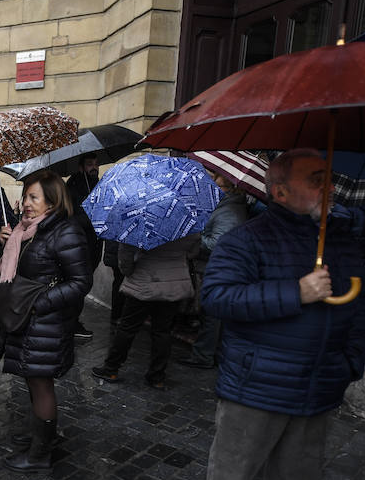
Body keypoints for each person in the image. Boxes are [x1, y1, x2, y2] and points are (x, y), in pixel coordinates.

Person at [197, 149, 365, 480]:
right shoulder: (246, 239)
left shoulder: (340, 241)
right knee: (231, 478)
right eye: (315, 179)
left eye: (327, 177)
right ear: (279, 192)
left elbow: (361, 302)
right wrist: (295, 292)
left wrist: (349, 363)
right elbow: (218, 298)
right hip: (257, 385)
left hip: (319, 385)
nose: (327, 187)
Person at [0, 170, 92, 473]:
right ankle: (42, 433)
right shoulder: (30, 230)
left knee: (41, 383)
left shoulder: (66, 231)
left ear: (52, 201)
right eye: (25, 197)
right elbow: (26, 269)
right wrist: (10, 243)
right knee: (32, 379)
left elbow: (80, 282)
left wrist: (38, 303)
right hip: (29, 321)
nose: (26, 203)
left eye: (33, 197)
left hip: (44, 322)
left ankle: (40, 453)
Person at [91, 233, 200, 390]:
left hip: (143, 280)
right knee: (162, 331)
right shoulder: (187, 226)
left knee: (127, 327)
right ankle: (157, 377)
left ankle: (111, 369)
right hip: (173, 283)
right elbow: (192, 252)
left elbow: (125, 256)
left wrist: (129, 272)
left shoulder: (142, 222)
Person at [178, 172, 249, 369]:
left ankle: (204, 356)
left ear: (229, 190)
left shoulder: (231, 211)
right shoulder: (225, 207)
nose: (213, 189)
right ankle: (208, 353)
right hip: (215, 268)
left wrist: (194, 237)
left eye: (218, 186)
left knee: (212, 316)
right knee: (211, 315)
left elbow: (218, 243)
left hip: (220, 269)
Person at [65, 152, 102, 338]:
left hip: (94, 244)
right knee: (79, 285)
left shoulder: (97, 185)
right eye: (89, 164)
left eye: (96, 164)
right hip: (80, 245)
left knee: (84, 283)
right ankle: (71, 322)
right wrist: (92, 218)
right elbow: (70, 217)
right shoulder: (72, 186)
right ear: (81, 167)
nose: (94, 167)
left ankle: (72, 320)